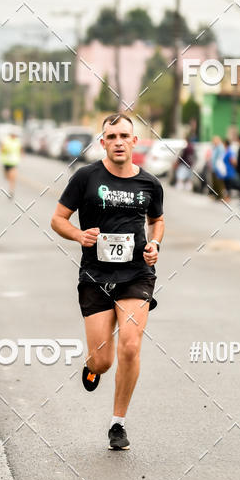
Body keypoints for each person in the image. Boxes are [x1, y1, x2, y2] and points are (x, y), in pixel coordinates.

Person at [50, 113, 165, 451]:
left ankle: (118, 423)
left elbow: (157, 221)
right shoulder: (86, 177)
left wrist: (155, 244)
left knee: (130, 344)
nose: (118, 142)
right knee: (103, 361)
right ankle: (91, 366)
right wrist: (78, 235)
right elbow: (58, 219)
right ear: (102, 142)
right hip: (95, 275)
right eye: (111, 137)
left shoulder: (150, 184)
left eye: (124, 136)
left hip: (136, 274)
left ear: (134, 141)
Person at [0, 130, 21, 198]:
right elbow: (1, 149)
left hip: (14, 162)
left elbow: (20, 149)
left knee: (13, 177)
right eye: (13, 134)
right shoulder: (6, 140)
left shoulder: (17, 141)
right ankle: (7, 177)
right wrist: (5, 150)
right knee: (7, 177)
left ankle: (11, 191)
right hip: (6, 162)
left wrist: (22, 154)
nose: (14, 135)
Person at [210, 135, 226, 200]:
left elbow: (220, 158)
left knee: (219, 182)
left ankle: (221, 196)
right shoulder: (215, 147)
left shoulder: (220, 147)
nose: (213, 142)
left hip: (218, 168)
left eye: (215, 140)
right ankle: (217, 196)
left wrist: (219, 166)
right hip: (214, 167)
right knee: (215, 183)